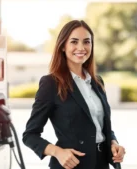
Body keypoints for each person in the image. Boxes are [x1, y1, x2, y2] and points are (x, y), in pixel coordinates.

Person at [22, 20, 126, 169]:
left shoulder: (97, 82)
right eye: (74, 42)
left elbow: (100, 127)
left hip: (101, 164)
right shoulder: (51, 83)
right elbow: (30, 135)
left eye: (86, 42)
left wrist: (113, 143)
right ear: (63, 46)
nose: (81, 47)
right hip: (72, 165)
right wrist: (57, 152)